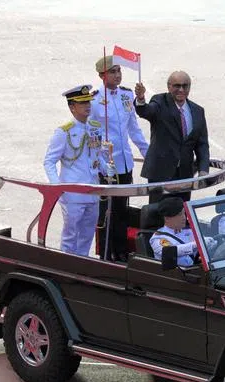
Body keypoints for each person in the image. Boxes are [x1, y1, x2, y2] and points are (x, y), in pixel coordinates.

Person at [91, 55, 149, 262]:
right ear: (102, 75)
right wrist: (100, 162)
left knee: (122, 209)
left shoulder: (126, 95)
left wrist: (147, 153)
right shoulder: (94, 100)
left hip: (124, 162)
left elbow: (133, 128)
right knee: (107, 212)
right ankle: (106, 252)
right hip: (106, 164)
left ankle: (121, 250)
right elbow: (92, 135)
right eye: (112, 72)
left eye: (119, 71)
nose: (117, 75)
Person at [43, 84, 112, 257]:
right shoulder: (64, 132)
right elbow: (49, 161)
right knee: (70, 236)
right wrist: (57, 186)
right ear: (72, 107)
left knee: (87, 236)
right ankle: (67, 266)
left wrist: (106, 168)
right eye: (82, 103)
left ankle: (83, 264)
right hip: (72, 193)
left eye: (88, 102)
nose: (87, 105)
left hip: (93, 191)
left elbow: (96, 156)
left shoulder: (95, 127)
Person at [133, 71, 210, 204]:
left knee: (182, 210)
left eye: (185, 86)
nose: (181, 89)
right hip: (161, 174)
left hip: (185, 175)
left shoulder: (198, 111)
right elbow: (146, 111)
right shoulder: (160, 101)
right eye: (177, 86)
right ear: (169, 86)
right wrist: (140, 99)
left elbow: (202, 144)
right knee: (158, 212)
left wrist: (203, 170)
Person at [149, 194, 225, 267]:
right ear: (167, 218)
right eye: (179, 215)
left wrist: (217, 241)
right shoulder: (158, 238)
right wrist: (196, 244)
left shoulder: (189, 230)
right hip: (176, 275)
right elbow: (170, 251)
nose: (184, 217)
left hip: (197, 270)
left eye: (184, 213)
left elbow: (205, 246)